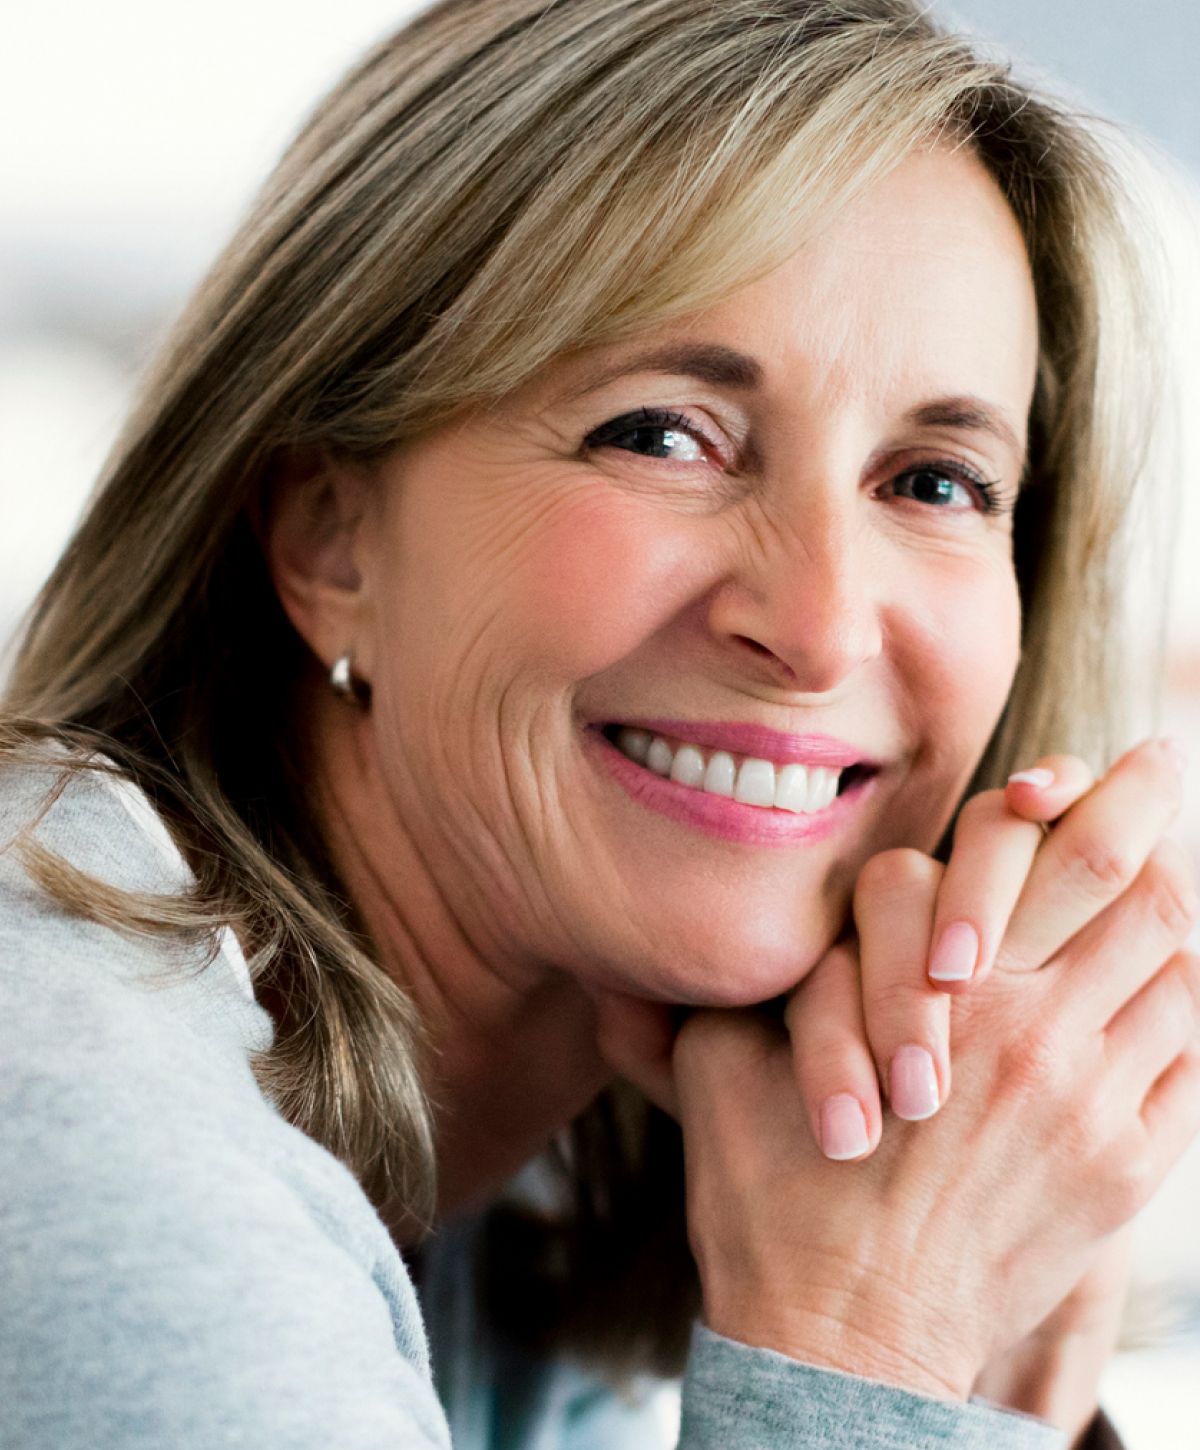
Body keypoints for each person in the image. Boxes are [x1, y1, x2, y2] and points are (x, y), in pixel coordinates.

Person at [1, 0, 1196, 1445]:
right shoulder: (81, 1113)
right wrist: (867, 1342)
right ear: (329, 537)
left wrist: (990, 1357)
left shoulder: (549, 1174)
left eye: (935, 481)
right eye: (662, 435)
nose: (819, 626)